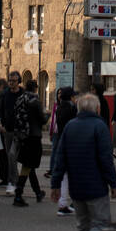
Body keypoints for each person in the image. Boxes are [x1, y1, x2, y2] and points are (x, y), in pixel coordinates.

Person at [51, 93, 116, 231]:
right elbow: (106, 159)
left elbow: (60, 158)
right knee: (102, 224)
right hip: (95, 185)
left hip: (76, 186)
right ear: (97, 109)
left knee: (84, 225)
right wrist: (113, 183)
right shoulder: (100, 127)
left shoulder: (70, 126)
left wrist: (56, 184)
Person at [12, 78, 47, 206]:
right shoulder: (34, 101)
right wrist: (46, 117)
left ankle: (37, 192)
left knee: (29, 165)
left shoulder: (20, 99)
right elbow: (42, 119)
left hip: (22, 135)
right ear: (35, 88)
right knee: (28, 165)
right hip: (34, 135)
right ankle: (18, 194)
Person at [0, 71, 24, 195]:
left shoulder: (23, 94)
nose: (11, 83)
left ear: (19, 81)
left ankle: (13, 182)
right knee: (10, 157)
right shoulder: (5, 94)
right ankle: (15, 181)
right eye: (10, 80)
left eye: (14, 81)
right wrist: (0, 124)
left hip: (19, 131)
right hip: (7, 130)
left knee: (13, 155)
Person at [51, 87, 77, 216]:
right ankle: (75, 202)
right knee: (75, 174)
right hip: (72, 143)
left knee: (65, 176)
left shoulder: (59, 108)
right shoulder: (72, 109)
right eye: (74, 96)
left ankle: (63, 204)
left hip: (62, 140)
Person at [0, 78, 10, 187]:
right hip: (6, 129)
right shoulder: (7, 95)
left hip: (2, 128)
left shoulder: (1, 97)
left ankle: (5, 178)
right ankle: (6, 177)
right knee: (5, 154)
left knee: (2, 154)